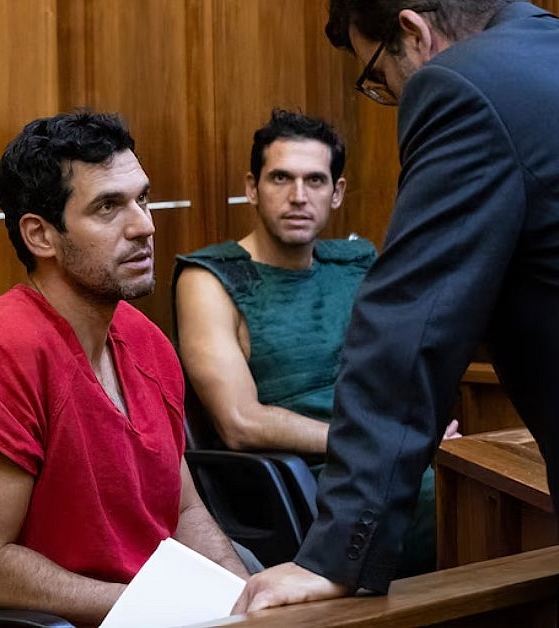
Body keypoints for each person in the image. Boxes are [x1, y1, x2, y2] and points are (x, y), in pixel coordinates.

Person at [233, 0, 559, 613]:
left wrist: (335, 556)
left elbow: (407, 331)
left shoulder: (461, 83)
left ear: (413, 31)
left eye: (379, 79)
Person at [0, 110, 249, 626]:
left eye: (141, 199)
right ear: (41, 236)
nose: (144, 225)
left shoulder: (146, 339)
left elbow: (183, 512)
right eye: (107, 207)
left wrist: (245, 603)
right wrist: (158, 611)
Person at [174, 108, 455, 577]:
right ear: (252, 187)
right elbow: (240, 422)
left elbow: (407, 359)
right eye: (281, 178)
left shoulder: (354, 262)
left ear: (337, 192)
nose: (298, 197)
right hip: (311, 476)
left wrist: (419, 432)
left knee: (494, 490)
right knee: (461, 507)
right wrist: (380, 444)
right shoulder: (211, 277)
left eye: (315, 181)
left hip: (391, 454)